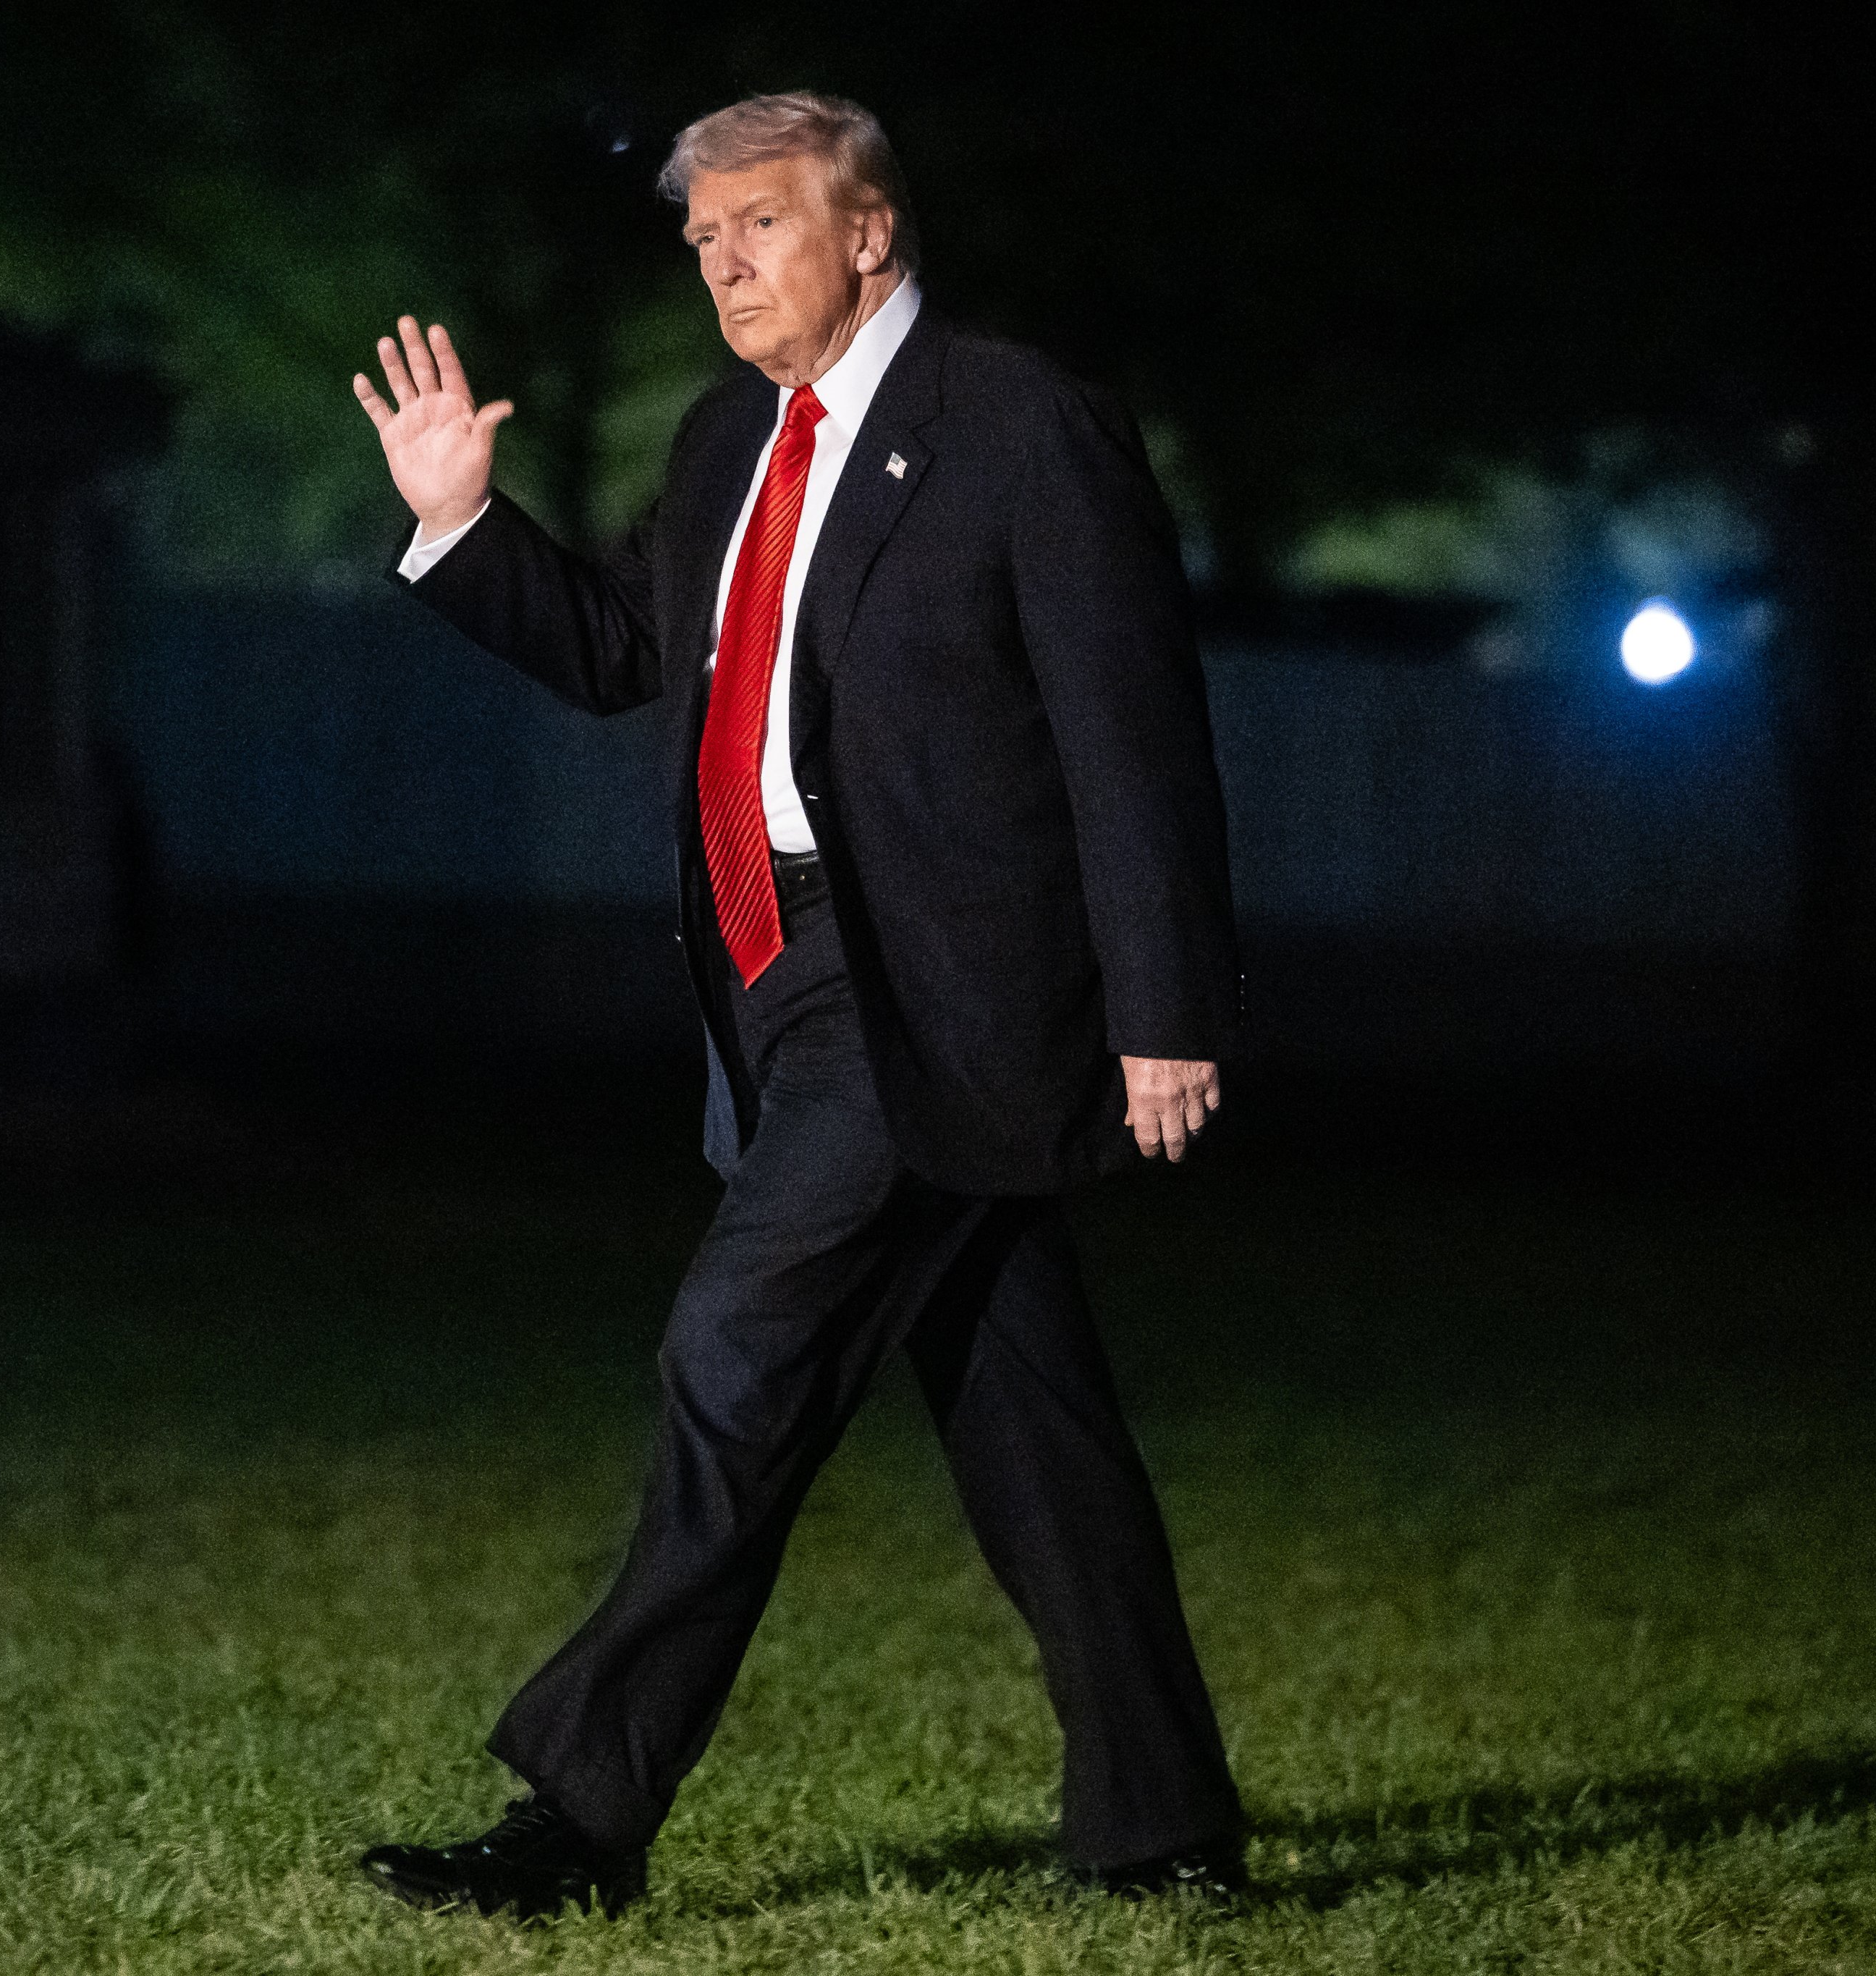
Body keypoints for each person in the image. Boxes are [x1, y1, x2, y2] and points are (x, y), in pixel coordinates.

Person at [346, 90, 1248, 1919]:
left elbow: (1130, 735)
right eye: (698, 240)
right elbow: (617, 651)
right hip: (773, 990)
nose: (721, 263)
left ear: (870, 231)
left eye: (758, 223)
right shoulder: (721, 443)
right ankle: (1163, 1835)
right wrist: (461, 525)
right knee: (1033, 1431)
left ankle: (577, 1821)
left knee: (731, 1359)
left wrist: (1165, 1006)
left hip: (941, 996)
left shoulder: (1017, 427)